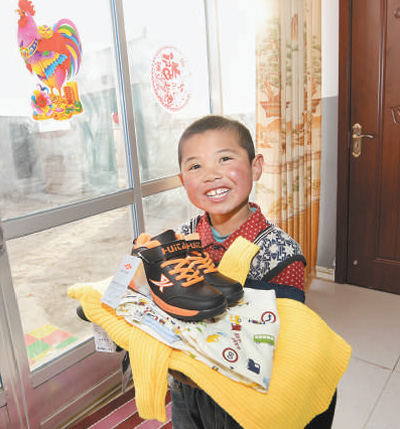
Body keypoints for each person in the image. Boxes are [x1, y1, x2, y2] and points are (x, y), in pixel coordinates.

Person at [170, 115, 336, 428]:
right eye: (195, 166)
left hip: (241, 394)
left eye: (224, 159)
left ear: (256, 167)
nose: (211, 175)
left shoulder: (282, 254)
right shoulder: (180, 239)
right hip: (185, 385)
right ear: (182, 180)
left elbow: (278, 343)